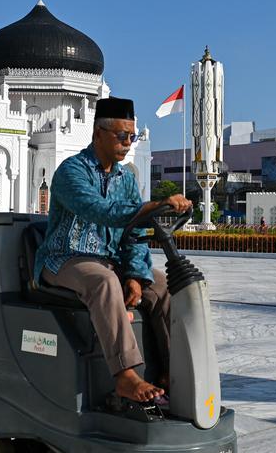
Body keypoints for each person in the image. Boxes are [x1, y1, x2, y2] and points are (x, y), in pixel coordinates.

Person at [35, 97, 193, 404]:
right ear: (98, 134)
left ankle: (171, 372)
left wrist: (135, 275)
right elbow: (100, 210)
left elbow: (134, 234)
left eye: (131, 137)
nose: (127, 143)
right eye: (121, 136)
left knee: (161, 286)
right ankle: (125, 377)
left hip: (109, 262)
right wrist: (155, 205)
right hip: (65, 259)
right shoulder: (72, 172)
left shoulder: (127, 179)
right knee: (104, 282)